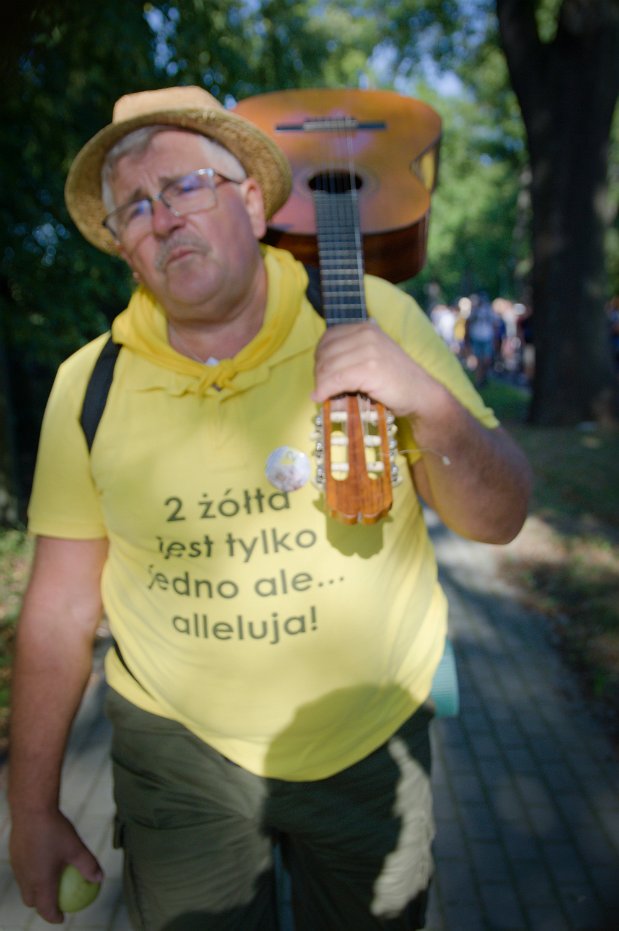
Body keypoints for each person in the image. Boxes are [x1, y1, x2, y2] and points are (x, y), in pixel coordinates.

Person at [8, 86, 532, 930]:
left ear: (252, 202)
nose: (163, 218)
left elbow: (497, 520)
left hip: (369, 742)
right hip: (177, 754)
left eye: (184, 186)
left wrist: (428, 405)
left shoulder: (373, 314)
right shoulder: (87, 382)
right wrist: (30, 807)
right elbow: (59, 608)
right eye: (134, 207)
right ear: (123, 247)